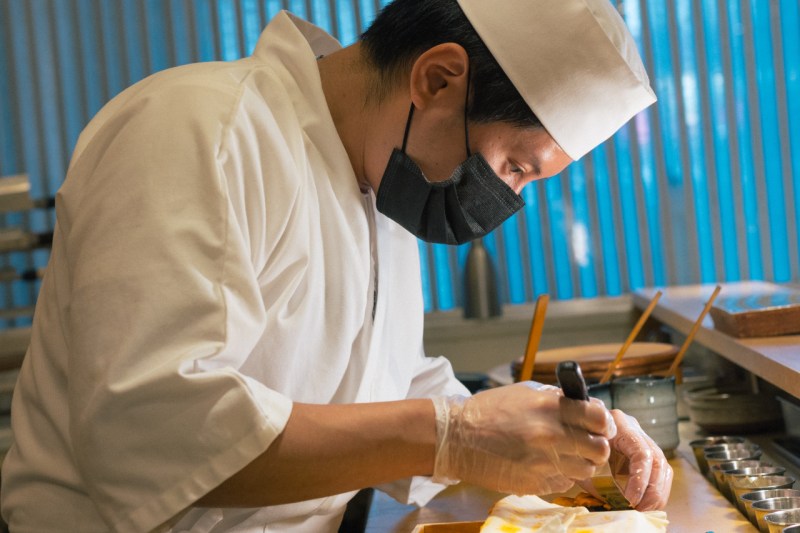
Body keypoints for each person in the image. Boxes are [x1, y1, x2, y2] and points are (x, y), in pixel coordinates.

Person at [0, 0, 672, 531]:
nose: (508, 199)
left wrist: (551, 435)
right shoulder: (201, 128)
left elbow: (382, 388)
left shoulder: (379, 186)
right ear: (437, 78)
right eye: (514, 168)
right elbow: (153, 428)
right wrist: (453, 437)